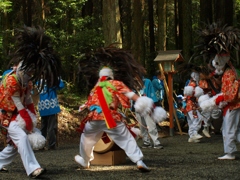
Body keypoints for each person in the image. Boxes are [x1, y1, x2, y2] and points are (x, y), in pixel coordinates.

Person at [75, 47, 167, 172]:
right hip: (112, 118)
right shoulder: (116, 83)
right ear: (111, 76)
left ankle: (85, 161)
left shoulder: (96, 87)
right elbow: (131, 95)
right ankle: (138, 161)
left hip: (94, 118)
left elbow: (89, 102)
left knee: (86, 138)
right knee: (126, 139)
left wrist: (84, 106)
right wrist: (147, 105)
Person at [0, 26, 62, 178]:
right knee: (21, 137)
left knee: (14, 146)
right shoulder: (11, 80)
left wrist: (32, 119)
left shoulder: (27, 82)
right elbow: (17, 102)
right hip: (6, 114)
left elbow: (28, 101)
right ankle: (34, 169)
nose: (31, 75)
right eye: (29, 72)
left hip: (17, 115)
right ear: (24, 70)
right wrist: (27, 121)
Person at [195, 22, 240, 160]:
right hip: (232, 105)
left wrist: (219, 99)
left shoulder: (231, 73)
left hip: (232, 105)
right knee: (234, 130)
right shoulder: (228, 72)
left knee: (229, 129)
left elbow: (231, 94)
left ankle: (230, 152)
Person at [135, 77, 163, 149]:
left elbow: (151, 94)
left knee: (151, 124)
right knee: (142, 125)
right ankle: (146, 142)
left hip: (147, 105)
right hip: (137, 106)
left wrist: (152, 105)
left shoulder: (147, 81)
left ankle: (156, 142)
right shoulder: (132, 83)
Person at [37, 79, 65, 150]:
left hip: (42, 106)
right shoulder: (51, 80)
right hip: (51, 106)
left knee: (43, 126)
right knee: (51, 126)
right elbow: (61, 85)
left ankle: (41, 145)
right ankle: (51, 144)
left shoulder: (37, 81)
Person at [183, 71, 203, 143]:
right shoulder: (193, 84)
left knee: (191, 121)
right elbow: (193, 94)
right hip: (192, 105)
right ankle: (194, 133)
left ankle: (191, 136)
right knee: (197, 119)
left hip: (187, 105)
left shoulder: (189, 83)